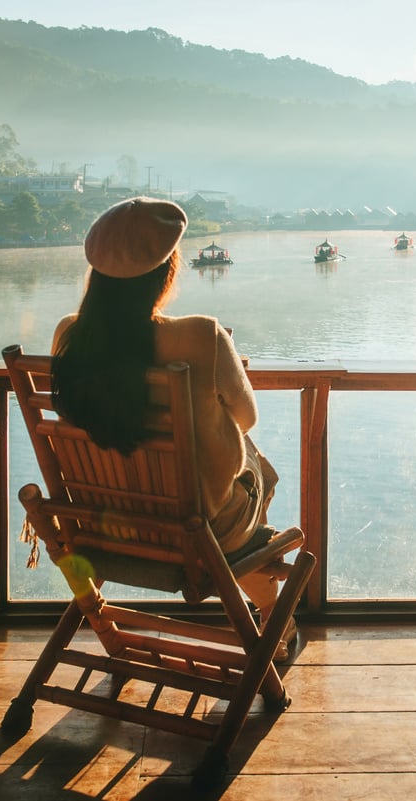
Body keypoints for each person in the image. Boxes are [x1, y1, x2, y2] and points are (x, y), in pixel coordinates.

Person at [50, 196, 296, 659]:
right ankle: (271, 609)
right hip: (192, 531)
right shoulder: (201, 334)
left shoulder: (68, 335)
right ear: (167, 272)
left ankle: (268, 604)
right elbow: (246, 418)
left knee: (240, 478)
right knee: (256, 469)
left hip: (104, 523)